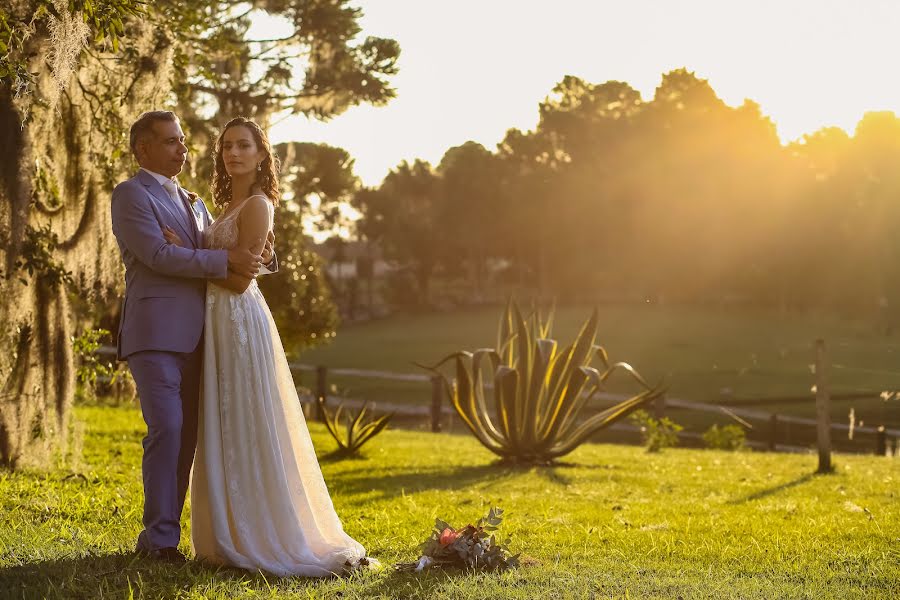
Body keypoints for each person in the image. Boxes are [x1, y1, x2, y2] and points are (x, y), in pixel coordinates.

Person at [164, 117, 369, 577]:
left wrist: (190, 256)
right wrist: (193, 244)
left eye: (243, 145)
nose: (233, 153)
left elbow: (239, 281)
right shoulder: (223, 205)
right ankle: (225, 532)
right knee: (222, 419)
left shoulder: (258, 205)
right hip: (214, 322)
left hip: (237, 320)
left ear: (261, 155)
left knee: (247, 417)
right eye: (226, 146)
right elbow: (225, 261)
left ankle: (264, 531)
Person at [110, 110, 273, 562]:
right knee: (168, 428)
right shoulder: (129, 195)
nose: (183, 148)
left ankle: (179, 535)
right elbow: (159, 255)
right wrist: (225, 261)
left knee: (189, 439)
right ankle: (159, 540)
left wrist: (234, 256)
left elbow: (221, 251)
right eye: (171, 142)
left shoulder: (196, 203)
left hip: (208, 337)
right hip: (156, 334)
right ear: (144, 148)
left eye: (183, 141)